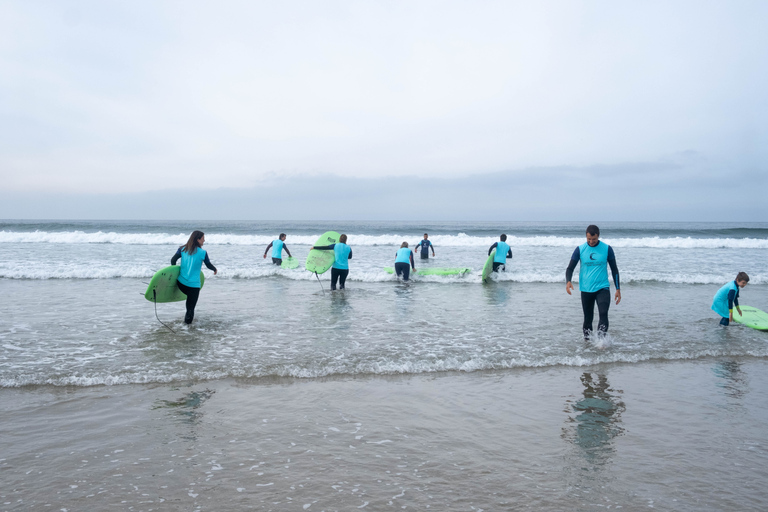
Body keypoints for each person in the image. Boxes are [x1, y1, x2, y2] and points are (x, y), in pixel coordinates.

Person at [565, 225, 621, 340]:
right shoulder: (580, 249)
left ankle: (601, 342)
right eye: (588, 239)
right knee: (588, 318)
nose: (591, 242)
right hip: (586, 289)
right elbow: (570, 268)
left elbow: (614, 269)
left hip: (603, 287)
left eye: (594, 239)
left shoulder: (607, 249)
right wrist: (568, 281)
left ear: (598, 236)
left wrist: (618, 289)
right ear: (586, 236)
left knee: (603, 314)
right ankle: (588, 343)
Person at [171, 230, 217, 324]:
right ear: (198, 239)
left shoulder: (182, 249)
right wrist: (214, 269)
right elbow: (208, 265)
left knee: (189, 303)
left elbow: (173, 260)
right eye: (203, 238)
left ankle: (185, 327)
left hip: (181, 283)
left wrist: (175, 273)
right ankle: (187, 330)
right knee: (190, 308)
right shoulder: (203, 252)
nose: (204, 240)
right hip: (193, 286)